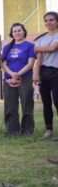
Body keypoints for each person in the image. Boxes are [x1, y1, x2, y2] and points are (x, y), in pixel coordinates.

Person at [1, 23, 35, 136]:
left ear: (24, 31)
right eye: (14, 31)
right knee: (10, 105)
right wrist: (11, 75)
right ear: (12, 33)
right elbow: (4, 64)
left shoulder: (30, 46)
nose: (17, 33)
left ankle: (27, 131)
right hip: (9, 79)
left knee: (27, 104)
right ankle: (12, 131)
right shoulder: (7, 47)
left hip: (25, 77)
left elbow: (30, 64)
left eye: (19, 30)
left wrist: (18, 74)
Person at [33, 11, 58, 139]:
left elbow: (53, 48)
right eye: (46, 20)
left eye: (51, 20)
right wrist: (36, 75)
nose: (48, 22)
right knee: (46, 102)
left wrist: (38, 48)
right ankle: (49, 130)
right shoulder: (41, 39)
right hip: (44, 72)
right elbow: (39, 58)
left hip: (56, 72)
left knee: (57, 100)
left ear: (57, 21)